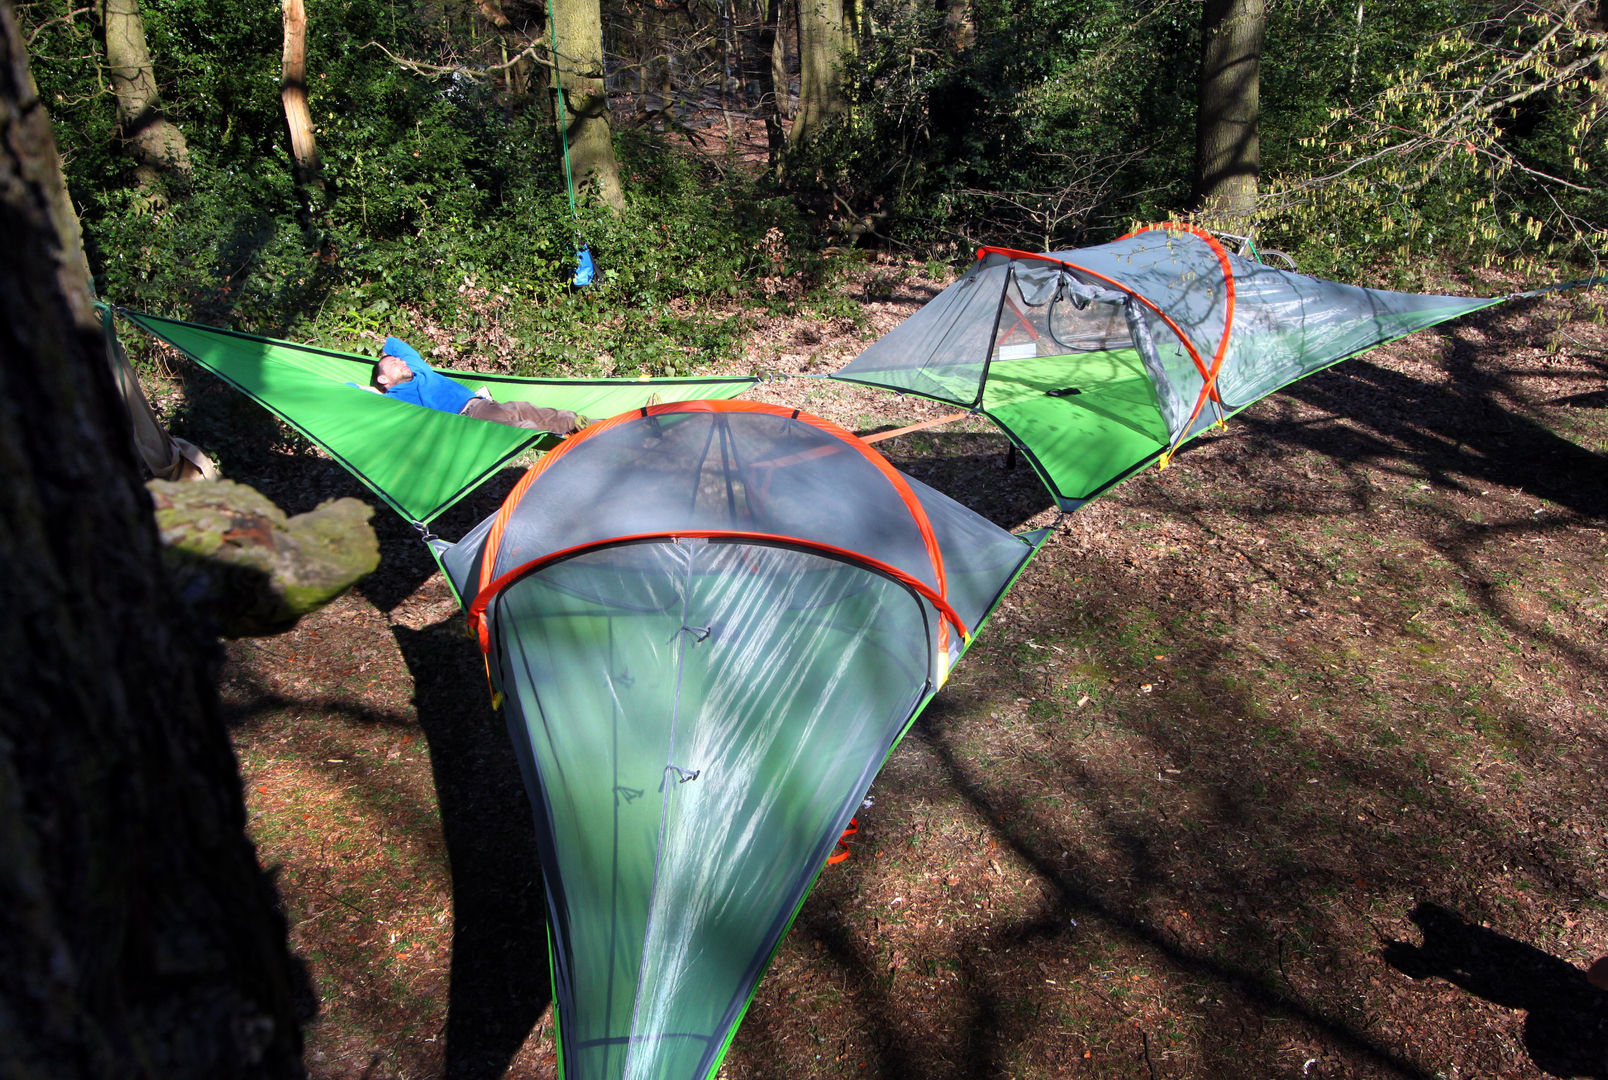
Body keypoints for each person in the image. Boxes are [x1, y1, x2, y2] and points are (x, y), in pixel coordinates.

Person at [371, 337, 586, 435]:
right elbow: (348, 391)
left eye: (400, 360)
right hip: (467, 420)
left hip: (487, 405)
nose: (401, 362)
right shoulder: (395, 399)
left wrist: (383, 347)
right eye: (394, 363)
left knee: (538, 412)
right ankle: (553, 442)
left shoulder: (419, 369)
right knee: (523, 430)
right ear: (383, 379)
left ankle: (600, 427)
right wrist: (372, 388)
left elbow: (395, 344)